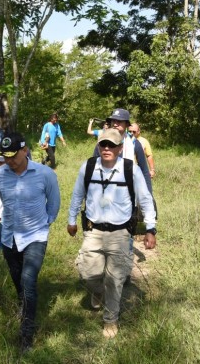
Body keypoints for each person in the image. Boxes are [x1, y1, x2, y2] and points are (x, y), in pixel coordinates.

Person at [67, 129, 157, 339]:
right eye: (103, 145)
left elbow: (145, 199)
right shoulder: (88, 167)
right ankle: (97, 290)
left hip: (120, 233)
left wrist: (151, 229)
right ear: (99, 146)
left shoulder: (130, 170)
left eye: (111, 145)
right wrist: (71, 220)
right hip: (93, 232)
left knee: (115, 279)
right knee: (88, 274)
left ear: (119, 148)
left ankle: (110, 319)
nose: (106, 148)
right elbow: (77, 195)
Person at [0, 132, 61, 353]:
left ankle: (27, 334)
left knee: (28, 281)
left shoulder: (45, 174)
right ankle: (25, 305)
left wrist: (45, 224)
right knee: (18, 281)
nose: (9, 161)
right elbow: (5, 201)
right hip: (9, 236)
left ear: (25, 150)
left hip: (35, 236)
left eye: (13, 155)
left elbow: (54, 202)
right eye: (5, 156)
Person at [93, 109, 152, 194]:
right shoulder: (102, 142)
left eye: (119, 121)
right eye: (113, 121)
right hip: (104, 190)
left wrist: (148, 194)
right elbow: (94, 167)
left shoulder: (133, 143)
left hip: (128, 191)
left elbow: (144, 171)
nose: (115, 124)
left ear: (127, 125)